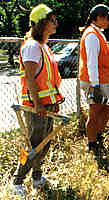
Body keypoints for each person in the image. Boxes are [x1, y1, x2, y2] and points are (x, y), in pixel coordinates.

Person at [10, 4, 64, 197]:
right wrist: (38, 103)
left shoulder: (43, 46)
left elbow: (48, 78)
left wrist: (53, 99)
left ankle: (37, 177)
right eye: (52, 20)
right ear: (42, 23)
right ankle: (17, 181)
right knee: (33, 144)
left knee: (45, 142)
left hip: (46, 104)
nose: (56, 23)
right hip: (36, 107)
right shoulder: (32, 46)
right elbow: (30, 78)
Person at [79, 4, 109, 153]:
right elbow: (92, 62)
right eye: (108, 18)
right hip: (94, 81)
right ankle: (92, 143)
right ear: (99, 18)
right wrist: (95, 86)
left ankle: (97, 137)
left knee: (108, 109)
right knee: (95, 112)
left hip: (100, 80)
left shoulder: (97, 32)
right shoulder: (92, 35)